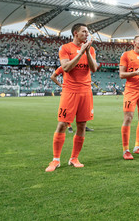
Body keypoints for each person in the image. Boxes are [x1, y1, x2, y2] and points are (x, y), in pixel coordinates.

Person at [45, 23, 98, 172]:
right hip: (70, 91)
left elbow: (93, 68)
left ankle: (74, 158)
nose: (87, 34)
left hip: (86, 91)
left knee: (81, 125)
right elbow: (66, 67)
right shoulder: (65, 48)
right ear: (76, 33)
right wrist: (80, 53)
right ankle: (55, 159)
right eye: (84, 31)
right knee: (62, 124)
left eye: (88, 32)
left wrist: (87, 52)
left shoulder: (91, 49)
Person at [50, 66, 95, 134]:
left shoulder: (80, 66)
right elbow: (52, 76)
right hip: (69, 93)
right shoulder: (63, 67)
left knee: (81, 112)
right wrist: (61, 85)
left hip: (81, 92)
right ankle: (69, 127)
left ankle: (83, 126)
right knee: (69, 112)